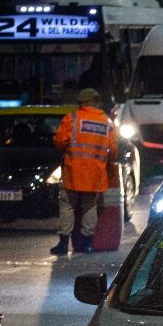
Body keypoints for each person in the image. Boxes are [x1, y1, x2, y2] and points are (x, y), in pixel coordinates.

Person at [52, 88, 118, 255]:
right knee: (90, 207)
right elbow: (114, 150)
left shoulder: (72, 119)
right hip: (95, 175)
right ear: (95, 101)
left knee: (67, 206)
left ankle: (63, 244)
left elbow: (59, 142)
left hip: (72, 174)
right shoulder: (106, 122)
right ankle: (87, 244)